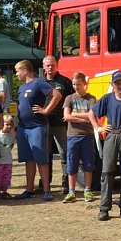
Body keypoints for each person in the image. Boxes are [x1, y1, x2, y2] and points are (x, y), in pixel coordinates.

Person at [88, 70, 121, 220]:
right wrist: (98, 128)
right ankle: (104, 208)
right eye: (117, 82)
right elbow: (91, 113)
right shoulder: (107, 99)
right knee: (107, 172)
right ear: (112, 84)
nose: (120, 85)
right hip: (112, 135)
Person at [14, 59, 62, 201]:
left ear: (25, 70)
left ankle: (47, 190)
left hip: (37, 126)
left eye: (17, 71)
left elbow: (57, 95)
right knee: (28, 159)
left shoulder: (39, 83)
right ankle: (29, 189)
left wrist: (46, 110)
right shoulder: (22, 87)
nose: (16, 74)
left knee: (41, 159)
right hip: (23, 127)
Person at [62, 72, 97, 203]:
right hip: (72, 136)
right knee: (72, 163)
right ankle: (71, 191)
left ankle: (87, 190)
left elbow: (92, 116)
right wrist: (85, 117)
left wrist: (76, 115)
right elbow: (67, 116)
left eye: (78, 84)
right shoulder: (69, 98)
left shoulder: (91, 99)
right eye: (74, 84)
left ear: (85, 83)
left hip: (87, 136)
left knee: (88, 163)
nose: (76, 87)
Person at [42, 55, 74, 191]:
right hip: (44, 123)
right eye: (48, 65)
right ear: (43, 66)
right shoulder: (40, 83)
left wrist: (70, 116)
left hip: (61, 123)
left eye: (52, 65)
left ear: (57, 65)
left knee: (64, 154)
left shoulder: (65, 82)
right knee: (46, 155)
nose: (50, 67)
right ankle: (45, 183)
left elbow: (73, 100)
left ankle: (66, 183)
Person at [0, 114, 15, 198]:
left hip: (8, 161)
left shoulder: (11, 136)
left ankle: (5, 191)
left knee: (6, 177)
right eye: (7, 124)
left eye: (11, 125)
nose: (9, 126)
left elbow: (11, 145)